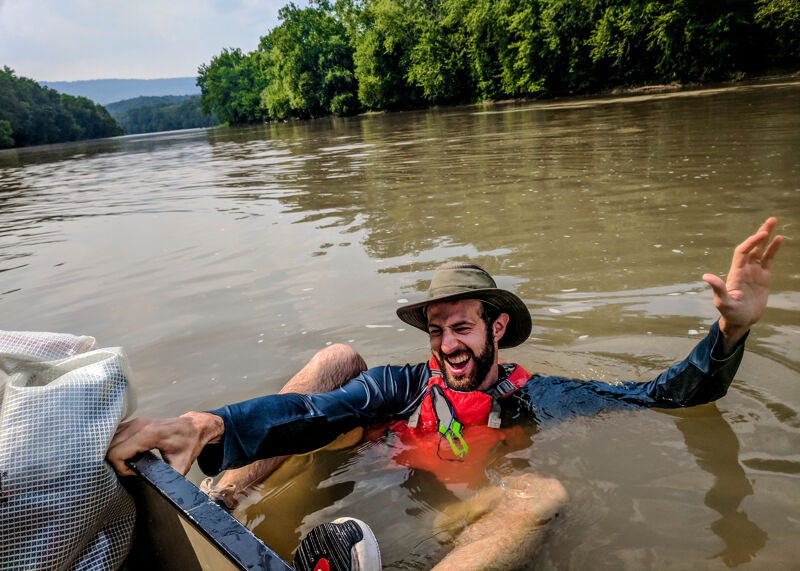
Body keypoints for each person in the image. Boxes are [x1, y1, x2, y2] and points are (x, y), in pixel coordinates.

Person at [108, 217, 782, 570]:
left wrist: (728, 328)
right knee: (335, 364)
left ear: (497, 328)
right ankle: (222, 495)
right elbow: (313, 411)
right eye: (437, 329)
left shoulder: (539, 396)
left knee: (543, 493)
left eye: (461, 326)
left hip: (457, 518)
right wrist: (207, 422)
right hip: (381, 475)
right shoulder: (401, 387)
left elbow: (663, 397)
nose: (447, 345)